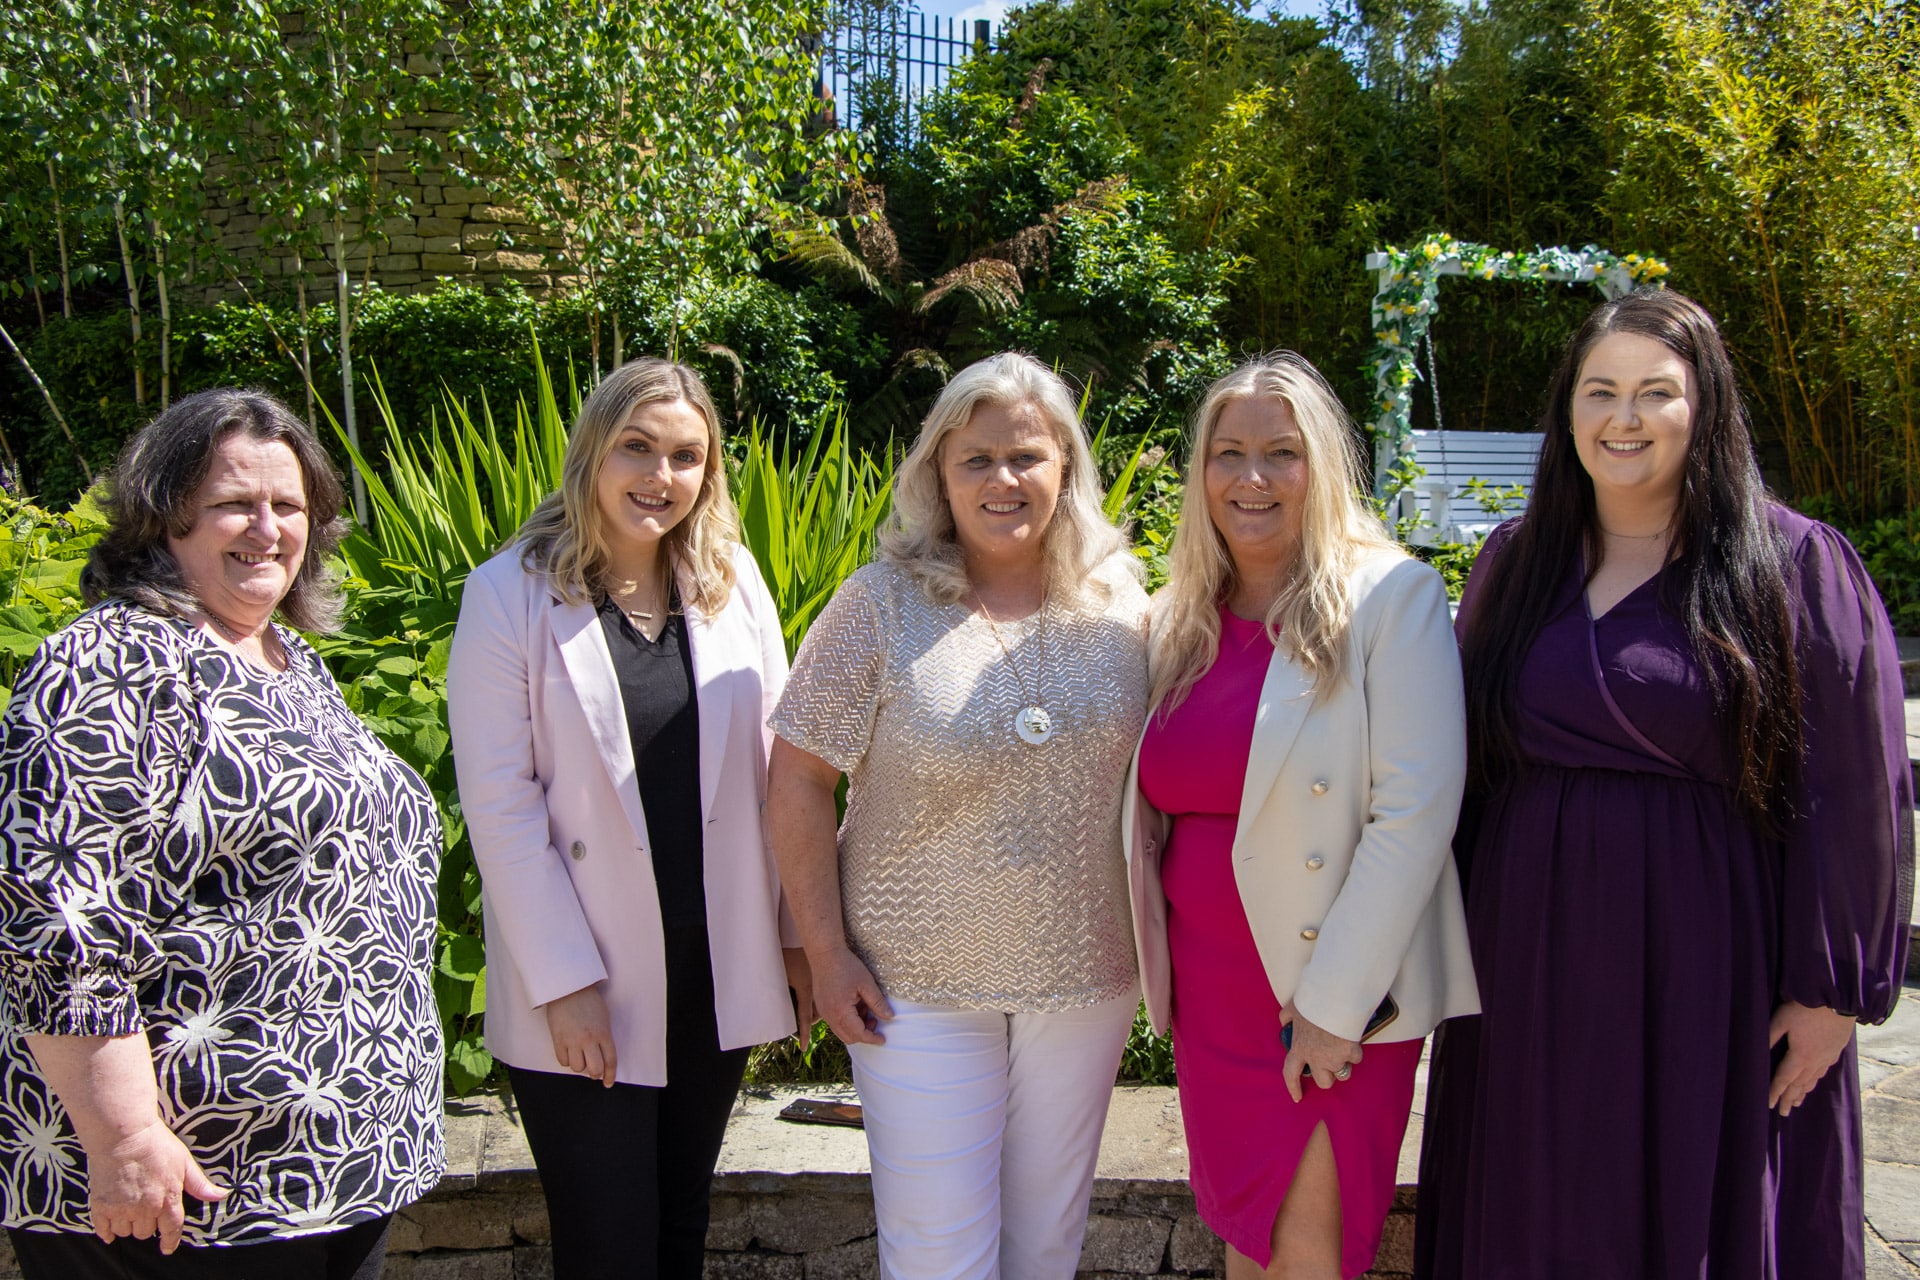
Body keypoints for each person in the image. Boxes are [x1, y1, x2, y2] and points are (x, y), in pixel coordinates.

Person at [1414, 289, 1915, 1278]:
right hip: (1528, 960)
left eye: (1655, 392)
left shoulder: (1793, 563)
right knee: (1540, 1197)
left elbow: (1855, 789)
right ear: (1568, 411)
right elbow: (1460, 764)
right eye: (1600, 391)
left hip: (1707, 959)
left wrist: (1833, 992)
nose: (1625, 417)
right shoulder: (1517, 562)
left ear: (1706, 405)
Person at [0, 389, 445, 1279]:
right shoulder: (111, 661)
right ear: (162, 515)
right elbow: (57, 923)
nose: (268, 529)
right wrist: (126, 1136)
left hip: (331, 1163)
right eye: (235, 504)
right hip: (192, 1188)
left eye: (289, 506)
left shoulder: (287, 660)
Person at [767, 352, 1149, 1280]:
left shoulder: (1123, 605)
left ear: (1065, 465)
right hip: (912, 985)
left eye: (1026, 456)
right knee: (938, 1255)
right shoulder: (878, 604)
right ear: (939, 471)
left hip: (1086, 976)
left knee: (1044, 1249)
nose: (1001, 479)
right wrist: (825, 952)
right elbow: (798, 780)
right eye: (975, 459)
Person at [1120, 354, 1479, 1280]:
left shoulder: (1389, 598)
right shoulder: (1178, 618)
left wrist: (1334, 1005)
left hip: (1326, 985)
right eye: (1228, 453)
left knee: (1306, 1250)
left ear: (1322, 465)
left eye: (1282, 452)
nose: (1253, 477)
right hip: (1213, 994)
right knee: (1249, 1241)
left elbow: (1414, 814)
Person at [446, 357, 804, 1279]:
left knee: (681, 1227)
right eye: (637, 447)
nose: (660, 476)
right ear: (593, 450)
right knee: (608, 1244)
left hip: (712, 966)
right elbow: (501, 806)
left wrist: (796, 938)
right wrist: (564, 982)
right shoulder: (509, 594)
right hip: (588, 972)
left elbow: (782, 772)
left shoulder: (732, 582)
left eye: (686, 456)